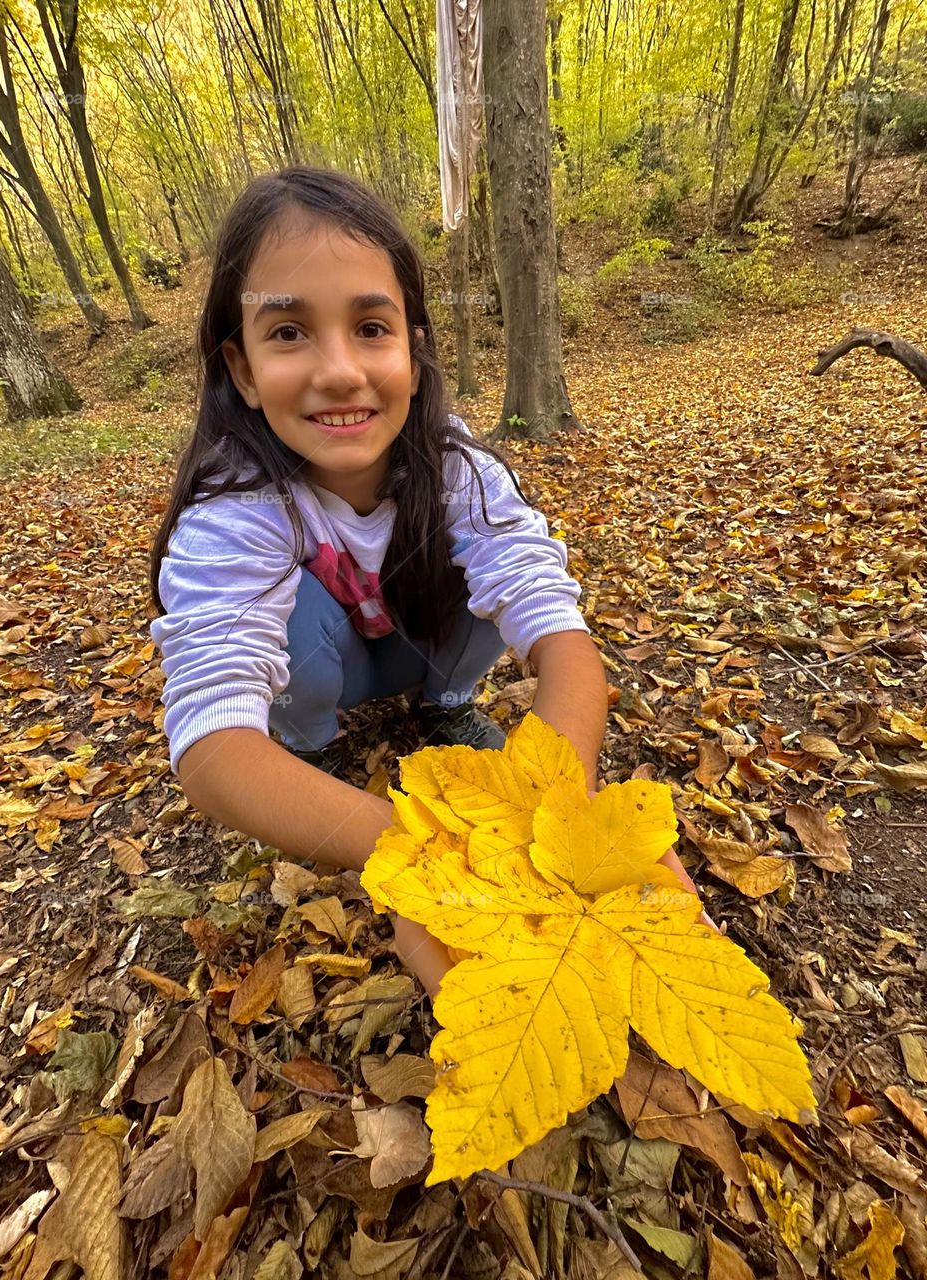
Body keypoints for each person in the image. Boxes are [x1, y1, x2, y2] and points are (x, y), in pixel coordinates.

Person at [149, 165, 712, 997]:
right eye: (289, 333)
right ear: (239, 367)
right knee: (295, 620)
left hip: (417, 647)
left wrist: (559, 815)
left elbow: (558, 631)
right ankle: (308, 749)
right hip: (323, 666)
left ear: (413, 348)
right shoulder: (237, 511)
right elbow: (209, 749)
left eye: (370, 327)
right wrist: (422, 851)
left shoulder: (458, 472)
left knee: (482, 562)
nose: (339, 370)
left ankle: (446, 707)